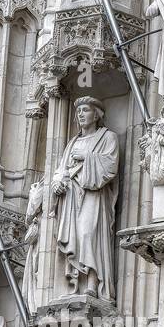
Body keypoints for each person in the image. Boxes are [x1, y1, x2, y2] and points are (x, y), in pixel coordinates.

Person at [53, 97, 119, 301]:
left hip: (94, 196)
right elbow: (61, 169)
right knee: (76, 237)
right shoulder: (72, 142)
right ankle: (75, 284)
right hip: (71, 197)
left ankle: (93, 282)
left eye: (86, 110)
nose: (81, 114)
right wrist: (57, 182)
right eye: (79, 110)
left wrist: (87, 158)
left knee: (88, 234)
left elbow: (110, 167)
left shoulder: (108, 137)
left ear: (97, 114)